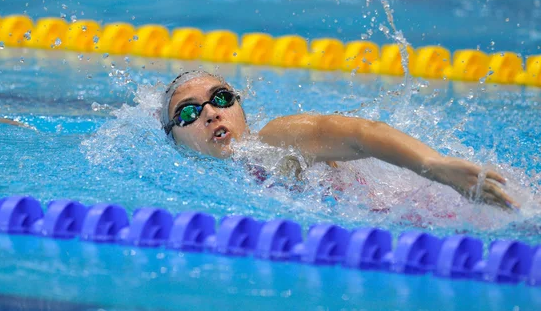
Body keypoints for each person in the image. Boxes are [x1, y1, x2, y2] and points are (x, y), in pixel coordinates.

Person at [160, 70, 518, 210]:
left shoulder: (274, 140)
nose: (210, 112)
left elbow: (360, 134)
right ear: (173, 140)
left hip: (438, 208)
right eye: (188, 113)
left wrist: (434, 166)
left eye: (220, 98)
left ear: (240, 106)